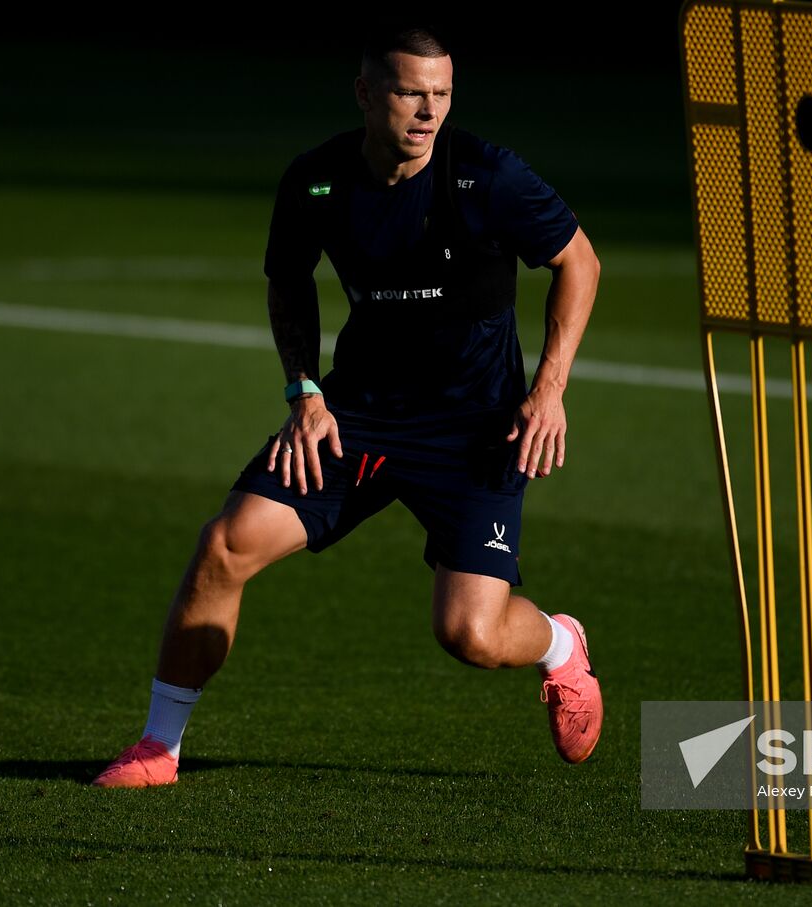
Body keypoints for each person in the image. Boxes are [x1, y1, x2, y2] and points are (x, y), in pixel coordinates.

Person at [93, 26, 603, 788]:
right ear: (367, 94)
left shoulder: (489, 177)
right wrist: (304, 390)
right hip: (356, 415)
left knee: (469, 631)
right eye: (408, 93)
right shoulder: (317, 180)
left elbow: (579, 260)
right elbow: (288, 280)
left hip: (476, 431)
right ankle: (159, 748)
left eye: (441, 95)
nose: (427, 112)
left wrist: (550, 389)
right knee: (226, 544)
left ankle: (561, 646)